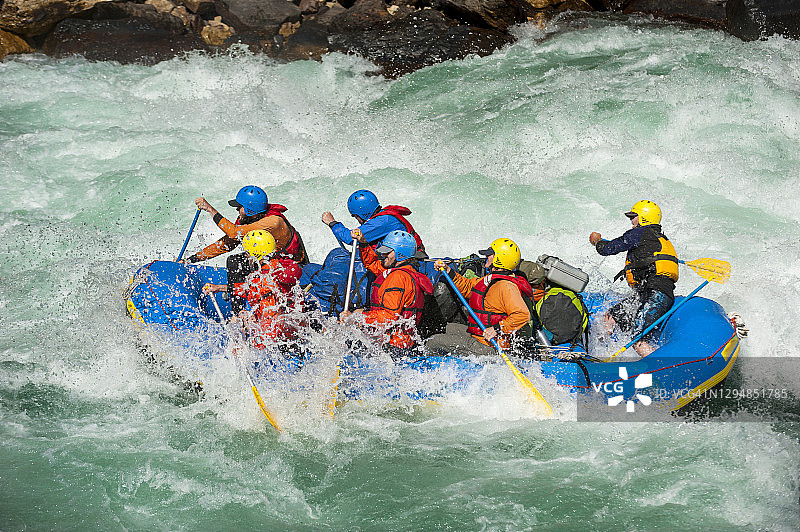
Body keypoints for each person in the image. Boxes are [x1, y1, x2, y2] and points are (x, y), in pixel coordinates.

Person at [183, 185, 308, 313]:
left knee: (237, 261)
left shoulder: (273, 222)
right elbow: (228, 243)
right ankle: (237, 312)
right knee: (234, 260)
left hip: (289, 267)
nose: (237, 209)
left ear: (250, 208)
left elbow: (233, 232)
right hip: (269, 262)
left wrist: (210, 209)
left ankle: (239, 314)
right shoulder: (247, 218)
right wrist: (190, 260)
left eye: (240, 206)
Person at [589, 200, 678, 357]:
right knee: (610, 317)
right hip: (649, 293)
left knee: (639, 340)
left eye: (633, 217)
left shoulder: (640, 233)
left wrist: (597, 241)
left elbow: (609, 248)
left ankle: (665, 369)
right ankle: (601, 354)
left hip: (656, 294)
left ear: (644, 218)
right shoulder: (657, 239)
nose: (631, 221)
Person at [426, 238, 534, 356]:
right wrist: (448, 270)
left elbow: (523, 315)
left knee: (433, 342)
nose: (486, 257)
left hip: (491, 347)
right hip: (480, 337)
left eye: (489, 255)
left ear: (499, 259)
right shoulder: (490, 279)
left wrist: (497, 329)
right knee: (444, 328)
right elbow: (468, 287)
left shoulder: (507, 286)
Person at [339, 230, 433, 358]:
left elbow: (389, 317)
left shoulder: (398, 278)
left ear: (400, 253)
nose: (383, 254)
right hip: (402, 344)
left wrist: (356, 318)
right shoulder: (407, 271)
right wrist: (363, 243)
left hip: (391, 346)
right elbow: (372, 264)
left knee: (340, 338)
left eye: (387, 252)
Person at [203, 230, 304, 349]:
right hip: (294, 325)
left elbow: (271, 327)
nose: (246, 256)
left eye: (247, 253)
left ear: (255, 255)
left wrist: (249, 347)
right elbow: (249, 289)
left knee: (243, 324)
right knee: (246, 316)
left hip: (279, 334)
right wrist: (219, 288)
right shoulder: (272, 270)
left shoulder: (265, 277)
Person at [321, 189, 426, 257]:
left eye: (356, 216)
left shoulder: (382, 222)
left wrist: (333, 223)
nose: (356, 219)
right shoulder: (383, 217)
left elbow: (350, 238)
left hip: (412, 260)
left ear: (363, 213)